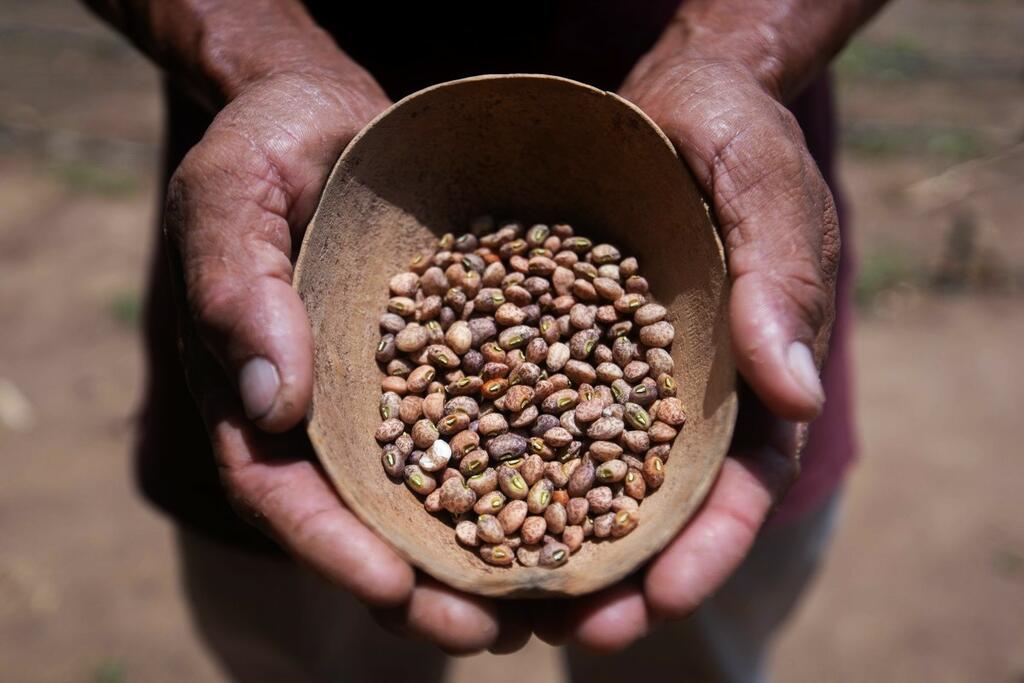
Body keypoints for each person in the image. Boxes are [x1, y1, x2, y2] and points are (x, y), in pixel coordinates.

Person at [83, 1, 886, 680]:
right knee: (305, 645)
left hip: (725, 231)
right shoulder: (470, 378)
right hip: (285, 243)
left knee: (694, 650)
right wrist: (254, 54)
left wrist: (741, 49)